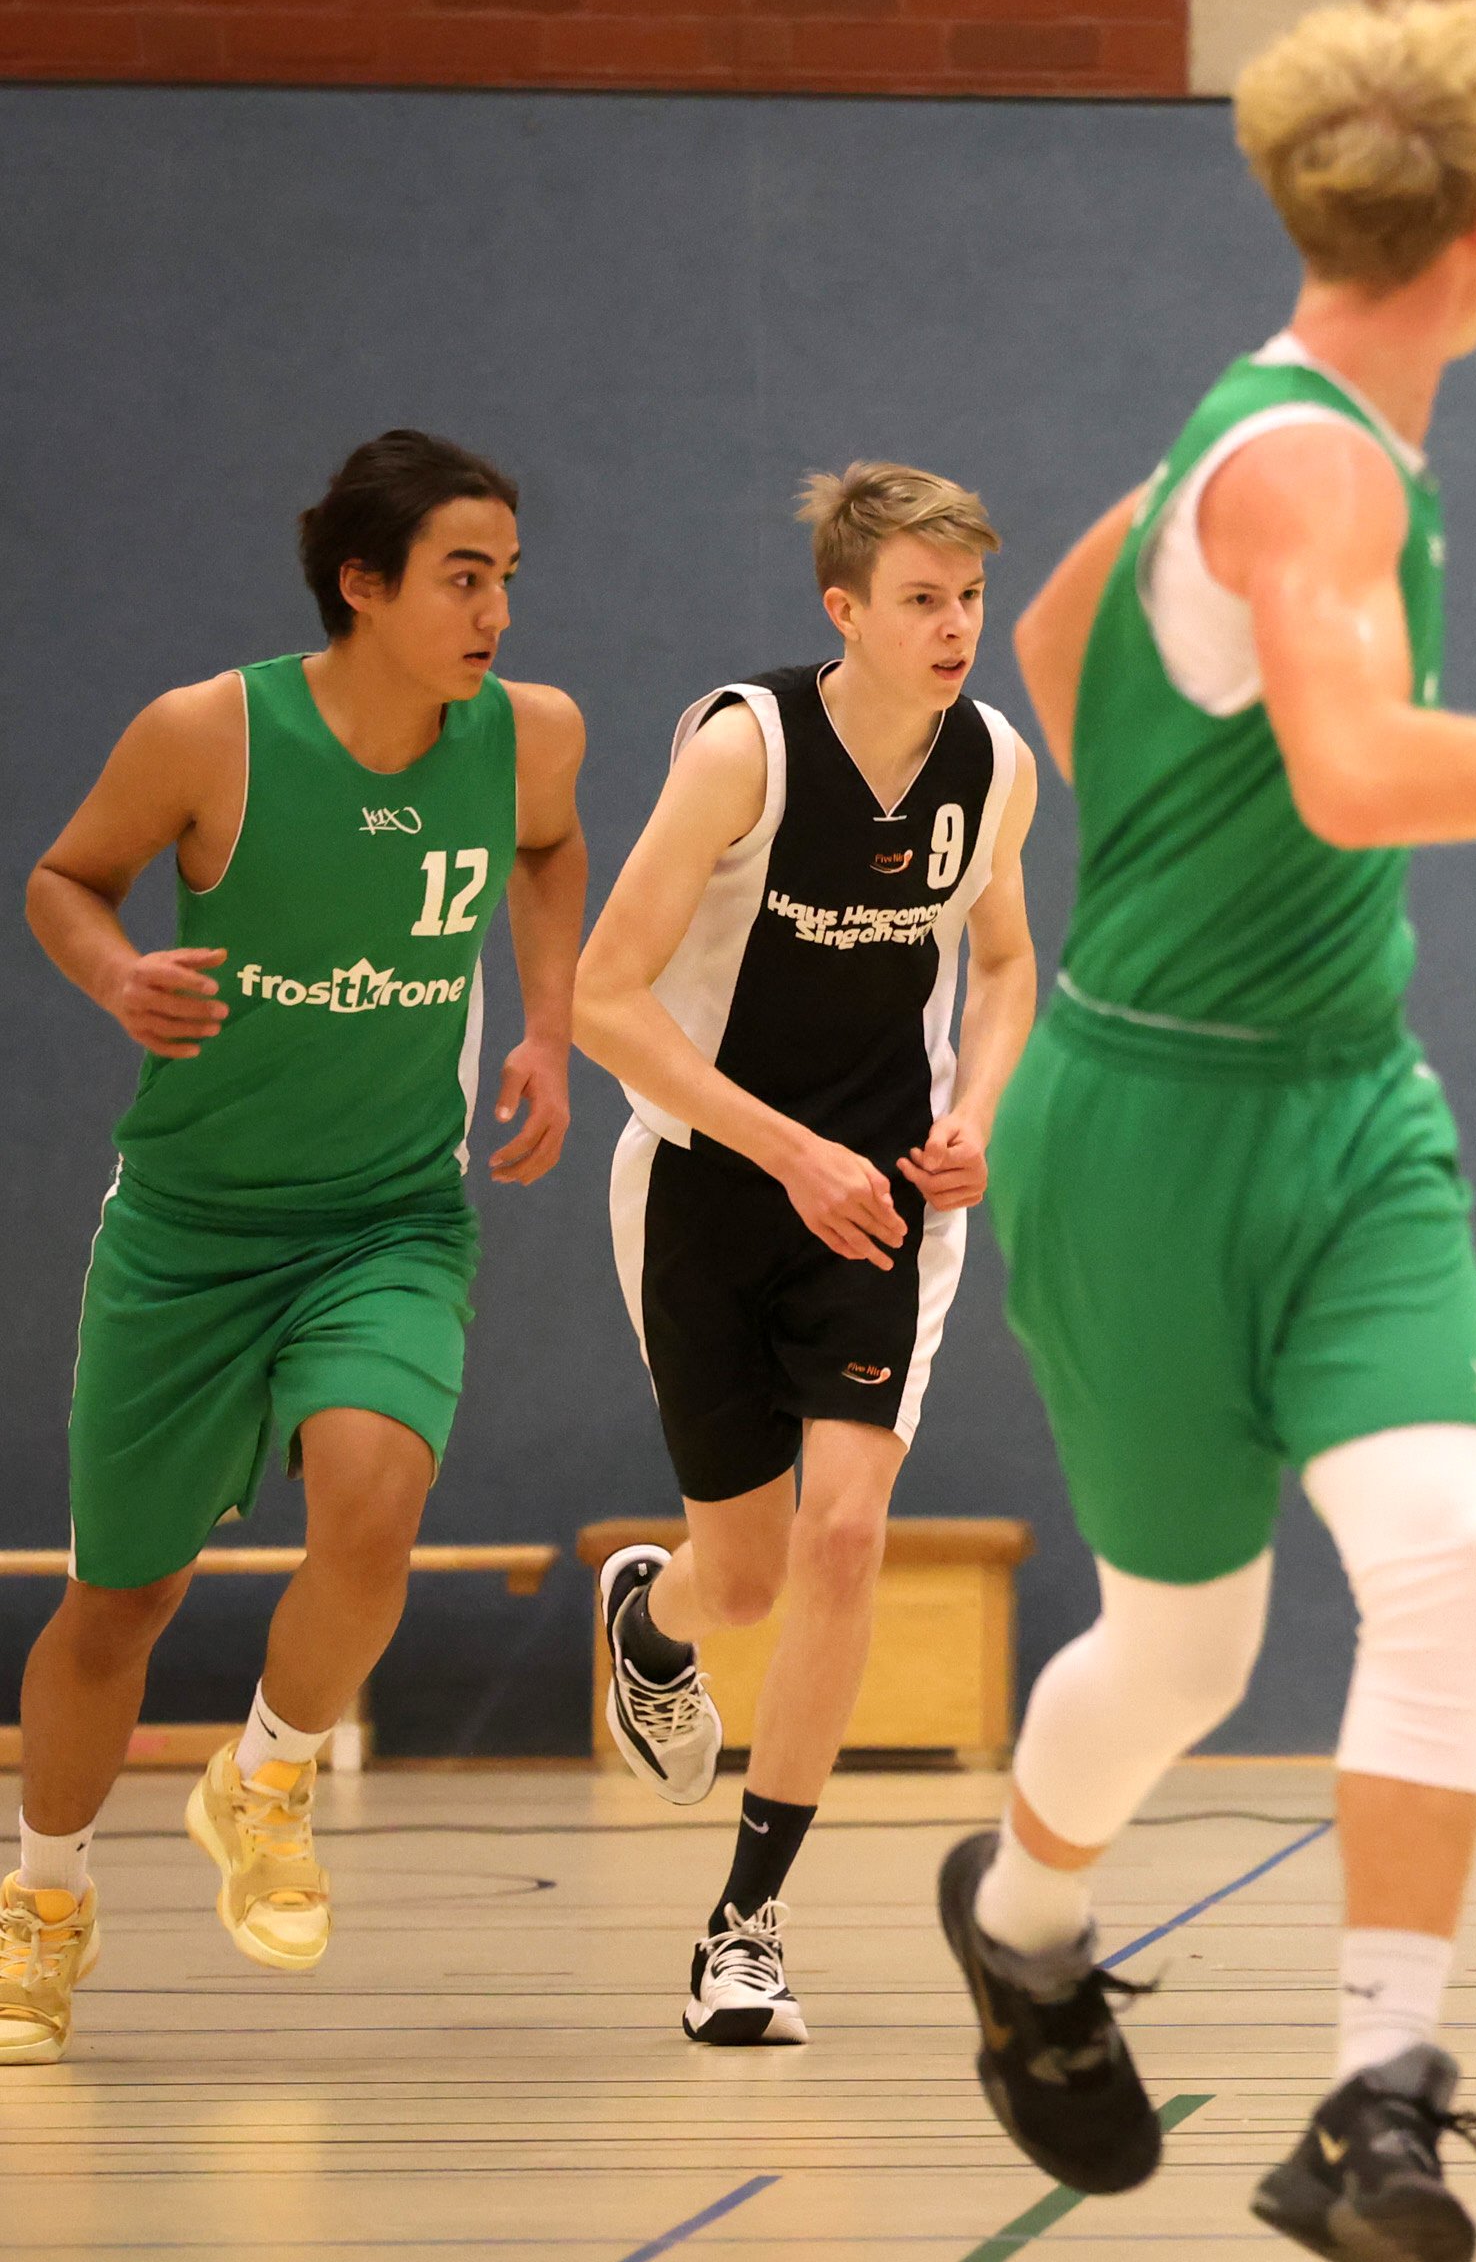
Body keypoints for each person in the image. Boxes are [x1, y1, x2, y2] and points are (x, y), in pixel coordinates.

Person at [940, 0, 1476, 2262]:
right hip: (1143, 1135)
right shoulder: (1314, 469)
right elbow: (1347, 775)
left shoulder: (1259, 438)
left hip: (1344, 1112)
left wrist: (1175, 836)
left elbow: (1063, 633)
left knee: (1449, 1553)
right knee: (1183, 1652)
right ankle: (1019, 1926)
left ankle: (1377, 2091)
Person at [3, 429, 585, 2066]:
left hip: (388, 1216)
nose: (495, 611)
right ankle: (43, 1898)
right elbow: (65, 879)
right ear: (364, 584)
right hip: (190, 1233)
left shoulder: (529, 735)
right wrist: (116, 973)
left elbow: (550, 849)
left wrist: (549, 1026)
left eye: (507, 578)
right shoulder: (210, 732)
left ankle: (264, 1778)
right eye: (462, 578)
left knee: (375, 1503)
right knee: (119, 1602)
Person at [575, 463, 1039, 2047]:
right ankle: (656, 1621)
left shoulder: (992, 766)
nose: (955, 627)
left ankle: (747, 1923)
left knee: (844, 1535)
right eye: (921, 599)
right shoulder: (743, 752)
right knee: (748, 1572)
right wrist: (788, 1149)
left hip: (885, 1205)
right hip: (708, 1186)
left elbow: (1006, 964)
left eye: (969, 597)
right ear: (844, 608)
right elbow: (602, 998)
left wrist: (976, 1114)